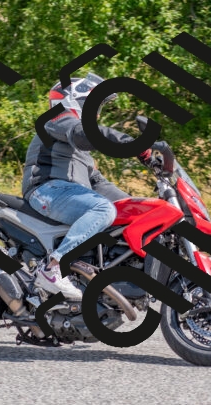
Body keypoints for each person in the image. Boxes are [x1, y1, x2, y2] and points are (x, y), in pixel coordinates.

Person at [21, 72, 151, 301]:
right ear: (75, 100)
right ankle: (53, 268)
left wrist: (139, 207)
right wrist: (129, 142)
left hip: (69, 195)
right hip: (46, 190)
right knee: (103, 209)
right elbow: (86, 134)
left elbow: (99, 184)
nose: (97, 113)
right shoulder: (57, 120)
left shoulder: (81, 152)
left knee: (123, 214)